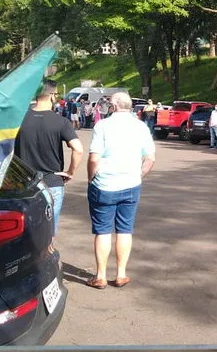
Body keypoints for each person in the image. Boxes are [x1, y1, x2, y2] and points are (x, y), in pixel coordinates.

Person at [86, 92, 156, 289]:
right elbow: (150, 158)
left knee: (102, 231)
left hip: (104, 185)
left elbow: (93, 158)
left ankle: (100, 276)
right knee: (125, 230)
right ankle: (121, 274)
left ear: (114, 106)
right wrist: (138, 175)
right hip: (131, 185)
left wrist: (91, 178)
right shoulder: (140, 126)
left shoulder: (103, 126)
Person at [14, 80, 84, 235]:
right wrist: (70, 172)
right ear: (52, 96)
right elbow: (78, 149)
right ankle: (47, 256)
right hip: (51, 182)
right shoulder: (61, 122)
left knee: (22, 230)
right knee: (49, 228)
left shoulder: (19, 120)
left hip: (23, 182)